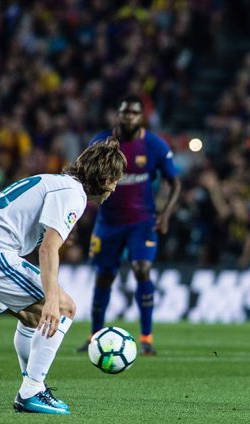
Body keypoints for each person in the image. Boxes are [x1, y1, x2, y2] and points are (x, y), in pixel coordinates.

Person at [0, 137, 127, 414]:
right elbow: (48, 249)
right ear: (104, 176)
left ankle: (34, 386)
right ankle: (32, 390)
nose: (114, 187)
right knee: (63, 307)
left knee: (32, 318)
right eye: (115, 180)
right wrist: (50, 299)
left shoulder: (54, 182)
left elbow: (2, 217)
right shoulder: (73, 193)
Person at [77, 95, 181, 355]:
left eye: (134, 113)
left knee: (142, 268)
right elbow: (84, 176)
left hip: (141, 222)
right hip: (108, 222)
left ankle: (146, 337)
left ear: (141, 117)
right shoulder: (101, 142)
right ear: (118, 114)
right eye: (125, 112)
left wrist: (165, 213)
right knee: (104, 277)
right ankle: (94, 336)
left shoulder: (155, 145)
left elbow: (174, 182)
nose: (129, 117)